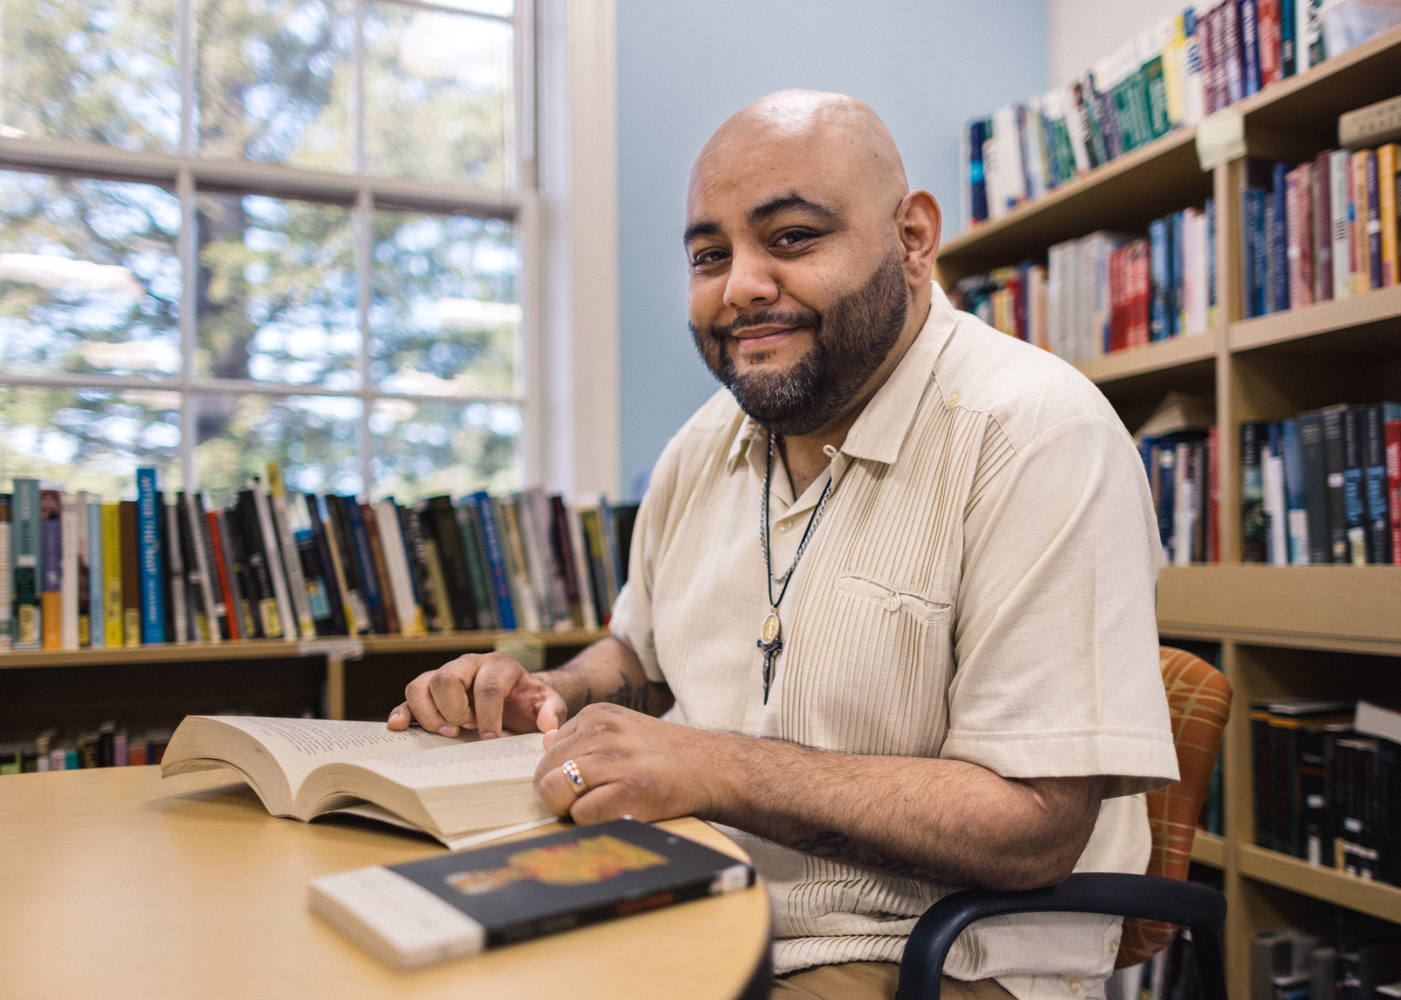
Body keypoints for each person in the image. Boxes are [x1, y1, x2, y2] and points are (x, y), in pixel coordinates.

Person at [389, 90, 1180, 1000]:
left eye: (792, 237)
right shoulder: (701, 444)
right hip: (679, 896)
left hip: (919, 953)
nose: (741, 287)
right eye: (708, 255)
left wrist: (717, 770)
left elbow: (1031, 829)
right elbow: (640, 657)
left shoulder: (1039, 434)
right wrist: (549, 693)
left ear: (913, 239)